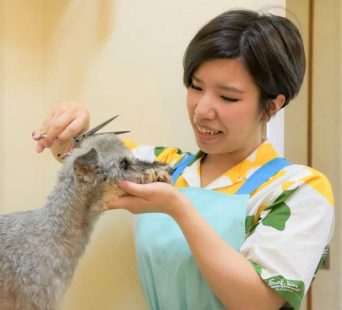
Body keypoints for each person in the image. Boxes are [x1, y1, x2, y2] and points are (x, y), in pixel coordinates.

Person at [33, 9, 334, 310]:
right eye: (196, 86)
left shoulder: (297, 189)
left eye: (227, 97)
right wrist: (67, 128)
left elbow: (257, 301)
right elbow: (80, 156)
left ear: (271, 106)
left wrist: (177, 208)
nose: (202, 109)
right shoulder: (165, 166)